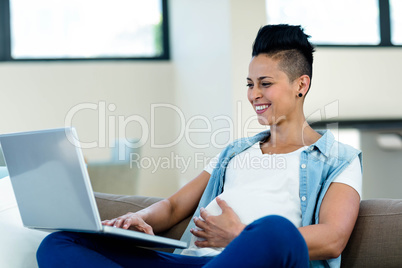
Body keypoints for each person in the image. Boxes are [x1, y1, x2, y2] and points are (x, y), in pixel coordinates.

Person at [36, 24, 362, 268]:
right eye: (250, 84)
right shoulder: (236, 152)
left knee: (276, 230)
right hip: (195, 261)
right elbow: (176, 207)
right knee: (61, 242)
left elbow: (333, 239)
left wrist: (241, 236)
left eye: (265, 84)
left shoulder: (338, 158)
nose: (254, 95)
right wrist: (138, 218)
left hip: (259, 259)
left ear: (300, 85)